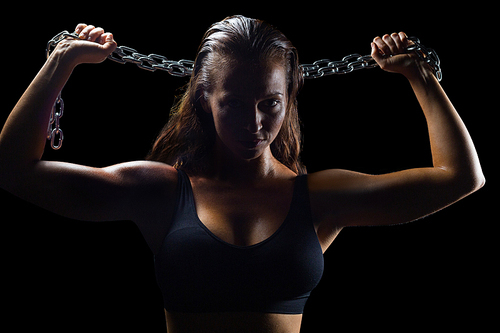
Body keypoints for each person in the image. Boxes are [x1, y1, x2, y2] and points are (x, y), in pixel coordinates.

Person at [0, 15, 484, 333]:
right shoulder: (161, 192)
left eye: (269, 104)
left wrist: (420, 78)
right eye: (231, 104)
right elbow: (17, 170)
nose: (253, 125)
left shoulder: (319, 198)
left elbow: (461, 177)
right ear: (205, 99)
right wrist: (61, 61)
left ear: (288, 98)